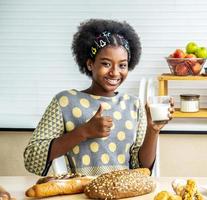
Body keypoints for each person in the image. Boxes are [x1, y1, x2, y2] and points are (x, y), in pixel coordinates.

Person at [24, 19, 174, 176]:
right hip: (80, 193)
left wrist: (153, 130)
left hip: (124, 193)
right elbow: (32, 157)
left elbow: (142, 167)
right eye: (106, 64)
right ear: (90, 64)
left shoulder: (133, 104)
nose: (115, 72)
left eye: (122, 65)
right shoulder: (65, 102)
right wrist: (84, 132)